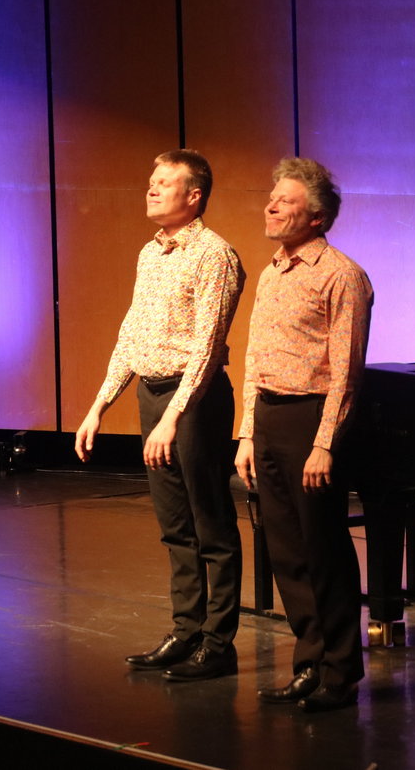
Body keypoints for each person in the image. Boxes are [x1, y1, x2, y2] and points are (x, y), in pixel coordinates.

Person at [75, 149, 244, 682]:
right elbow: (132, 333)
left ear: (193, 195)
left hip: (193, 401)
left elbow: (207, 346)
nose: (151, 188)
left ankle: (218, 643)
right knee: (174, 524)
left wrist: (174, 416)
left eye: (164, 182)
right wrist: (99, 405)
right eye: (151, 180)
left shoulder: (214, 254)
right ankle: (186, 630)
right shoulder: (150, 254)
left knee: (210, 523)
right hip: (154, 397)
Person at [234, 157, 373, 713]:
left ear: (316, 217)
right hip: (269, 418)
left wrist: (325, 442)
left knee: (323, 549)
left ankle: (340, 672)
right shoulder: (271, 271)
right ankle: (309, 663)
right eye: (272, 197)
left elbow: (346, 371)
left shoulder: (342, 275)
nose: (270, 205)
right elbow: (254, 357)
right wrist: (247, 432)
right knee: (286, 551)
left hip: (312, 420)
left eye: (285, 200)